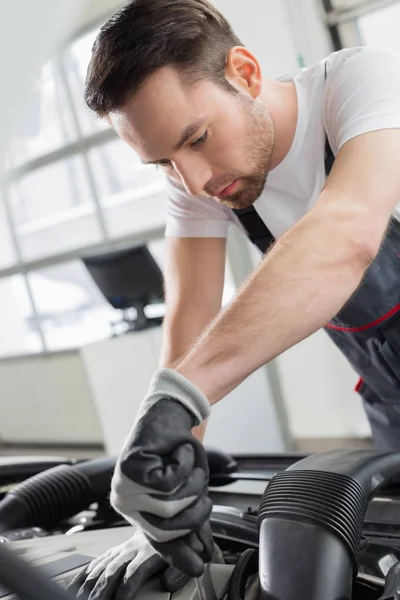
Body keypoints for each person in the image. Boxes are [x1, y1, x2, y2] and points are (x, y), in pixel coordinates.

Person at [72, 0, 400, 597]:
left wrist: (177, 399)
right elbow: (188, 328)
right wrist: (165, 495)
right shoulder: (202, 180)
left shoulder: (361, 86)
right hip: (391, 396)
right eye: (163, 163)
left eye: (196, 138)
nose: (191, 180)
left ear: (245, 72)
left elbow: (346, 235)